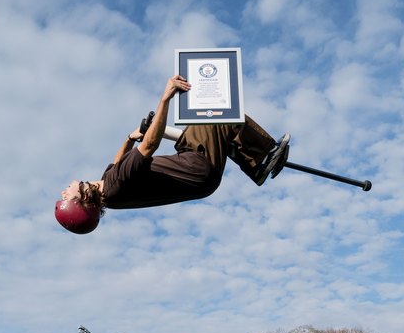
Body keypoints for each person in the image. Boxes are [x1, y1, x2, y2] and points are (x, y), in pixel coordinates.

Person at [55, 75, 290, 234]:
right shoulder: (115, 185)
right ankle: (264, 157)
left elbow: (116, 162)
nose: (64, 191)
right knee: (216, 111)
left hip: (193, 168)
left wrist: (129, 138)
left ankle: (254, 165)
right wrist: (165, 98)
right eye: (66, 196)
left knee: (205, 125)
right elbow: (150, 146)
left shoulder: (107, 189)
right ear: (81, 200)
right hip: (197, 168)